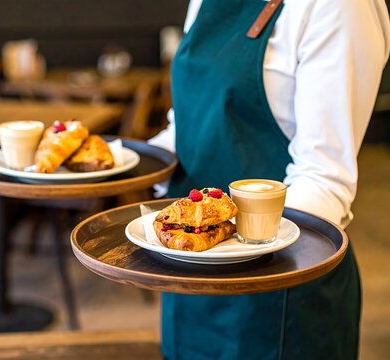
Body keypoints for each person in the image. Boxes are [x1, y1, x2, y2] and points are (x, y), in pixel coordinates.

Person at [148, 0, 390, 359]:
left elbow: (324, 179)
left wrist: (224, 237)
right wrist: (131, 166)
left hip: (279, 293)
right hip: (188, 278)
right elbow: (188, 125)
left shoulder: (340, 6)